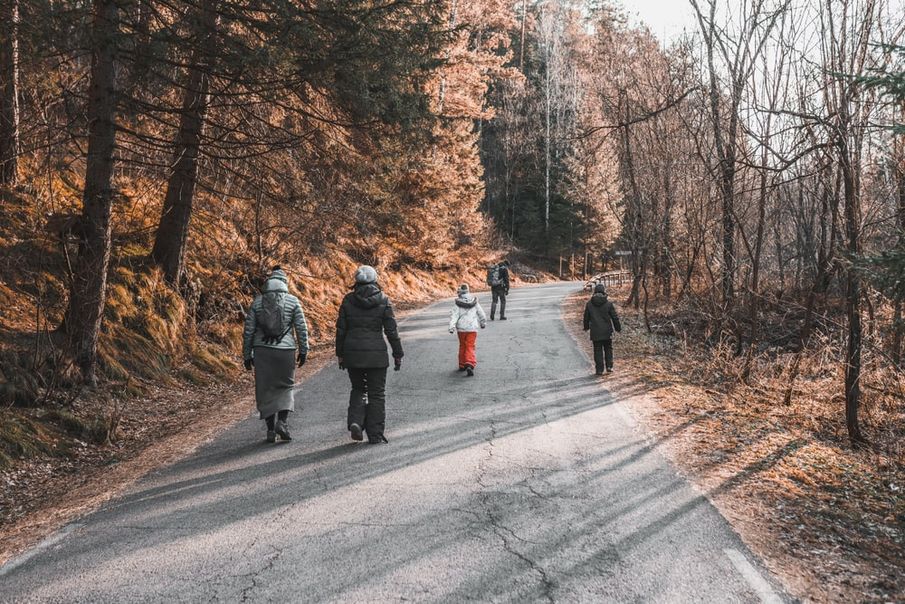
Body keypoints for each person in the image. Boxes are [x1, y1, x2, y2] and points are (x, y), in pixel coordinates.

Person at [335, 265, 404, 444]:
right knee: (377, 394)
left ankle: (356, 421)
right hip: (376, 355)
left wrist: (340, 354)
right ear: (375, 280)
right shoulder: (383, 299)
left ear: (356, 282)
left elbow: (341, 330)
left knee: (358, 389)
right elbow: (391, 331)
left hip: (353, 354)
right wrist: (397, 353)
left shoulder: (348, 300)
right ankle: (375, 435)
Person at [242, 266, 309, 443]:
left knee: (266, 389)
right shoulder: (293, 301)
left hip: (262, 351)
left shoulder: (257, 303)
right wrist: (304, 350)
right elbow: (301, 328)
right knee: (285, 387)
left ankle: (270, 430)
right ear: (284, 283)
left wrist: (247, 355)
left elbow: (248, 331)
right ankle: (283, 422)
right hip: (285, 351)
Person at [583, 283, 622, 375]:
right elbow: (614, 317)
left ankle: (599, 369)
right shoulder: (608, 304)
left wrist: (586, 327)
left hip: (595, 331)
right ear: (604, 291)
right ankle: (609, 366)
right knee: (608, 348)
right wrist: (618, 328)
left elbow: (586, 317)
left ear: (595, 292)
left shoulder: (589, 304)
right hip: (607, 331)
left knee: (597, 350)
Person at [448, 284, 487, 377]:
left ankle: (462, 364)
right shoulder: (474, 301)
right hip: (472, 328)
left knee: (462, 345)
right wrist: (483, 322)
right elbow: (481, 313)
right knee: (470, 346)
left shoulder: (457, 303)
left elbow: (454, 316)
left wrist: (451, 326)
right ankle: (469, 363)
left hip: (461, 329)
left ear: (459, 293)